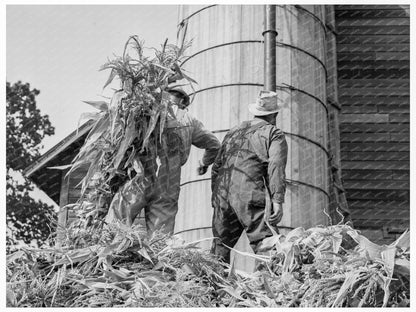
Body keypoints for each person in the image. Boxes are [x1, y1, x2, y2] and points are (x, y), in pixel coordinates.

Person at [106, 86, 221, 235]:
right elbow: (215, 145)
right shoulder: (190, 120)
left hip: (143, 173)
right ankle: (158, 255)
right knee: (160, 236)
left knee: (118, 220)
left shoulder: (147, 109)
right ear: (184, 103)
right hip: (169, 181)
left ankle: (112, 253)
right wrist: (204, 163)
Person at [210, 90, 288, 263]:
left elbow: (216, 166)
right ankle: (273, 285)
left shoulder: (233, 132)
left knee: (219, 249)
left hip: (222, 196)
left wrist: (215, 198)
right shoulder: (273, 133)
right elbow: (276, 166)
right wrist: (278, 201)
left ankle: (212, 287)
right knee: (268, 244)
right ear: (274, 114)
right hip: (250, 193)